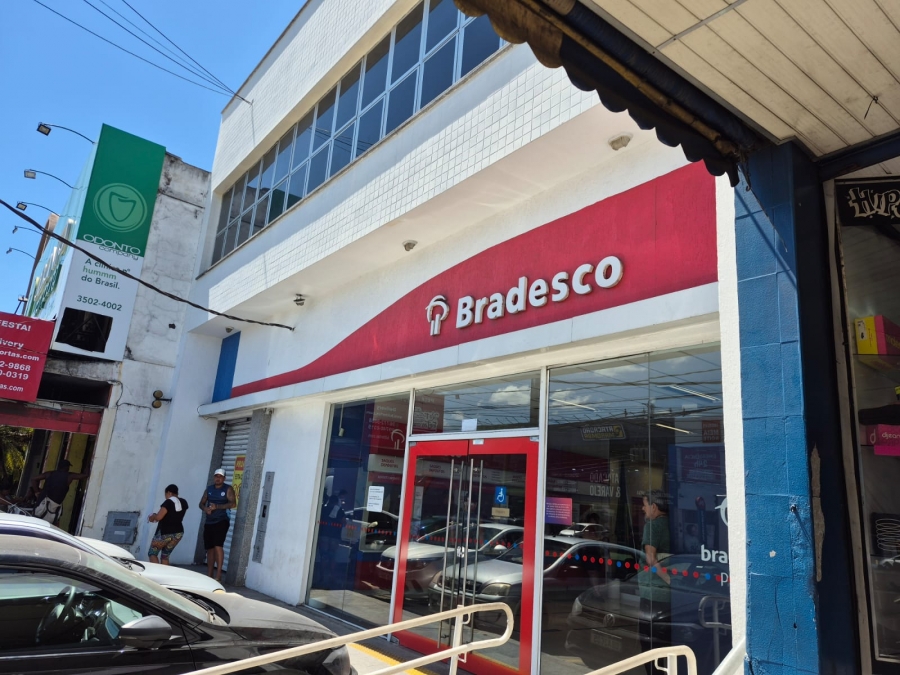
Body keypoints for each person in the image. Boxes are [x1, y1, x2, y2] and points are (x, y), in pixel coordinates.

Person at [637, 490, 672, 675]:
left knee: (648, 643)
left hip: (652, 594)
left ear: (654, 506)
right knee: (665, 643)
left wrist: (668, 579)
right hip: (668, 598)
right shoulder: (671, 524)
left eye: (645, 505)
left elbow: (650, 558)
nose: (643, 509)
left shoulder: (652, 526)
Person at [199, 468, 236, 581]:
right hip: (209, 521)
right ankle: (209, 575)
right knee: (210, 548)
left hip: (222, 520)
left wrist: (218, 507)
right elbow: (201, 503)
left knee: (218, 546)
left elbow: (233, 504)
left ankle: (218, 575)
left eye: (220, 476)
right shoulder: (209, 489)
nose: (218, 478)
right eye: (216, 476)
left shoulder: (228, 489)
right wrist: (205, 509)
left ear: (224, 478)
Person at [31, 459, 89, 525]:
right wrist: (87, 463)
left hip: (42, 503)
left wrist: (37, 492)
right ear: (67, 467)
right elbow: (85, 475)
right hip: (54, 507)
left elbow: (33, 479)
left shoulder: (49, 474)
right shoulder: (69, 476)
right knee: (50, 525)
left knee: (36, 523)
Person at [147, 484, 189, 565]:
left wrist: (153, 516)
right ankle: (165, 573)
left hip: (165, 532)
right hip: (178, 533)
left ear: (169, 493)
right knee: (165, 556)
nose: (165, 497)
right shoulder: (184, 502)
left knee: (152, 553)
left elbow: (159, 517)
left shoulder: (168, 502)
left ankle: (156, 572)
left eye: (165, 494)